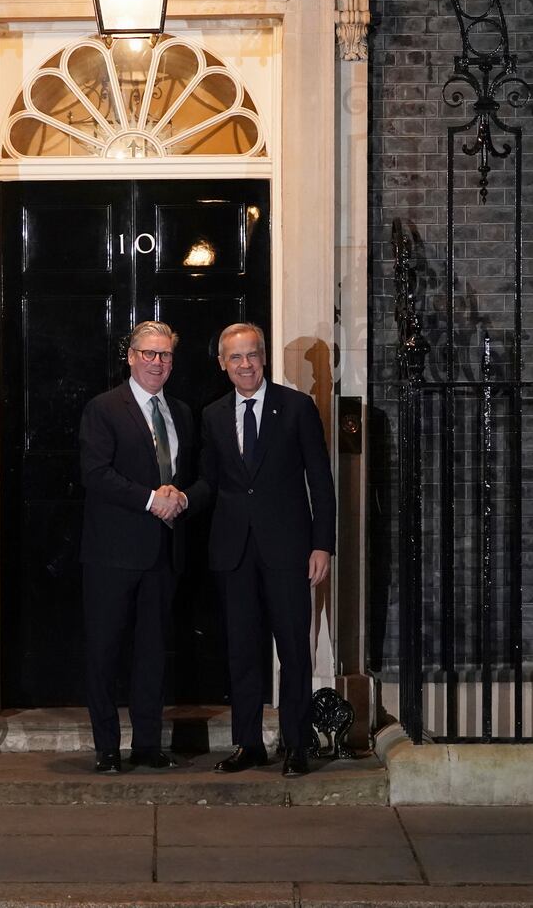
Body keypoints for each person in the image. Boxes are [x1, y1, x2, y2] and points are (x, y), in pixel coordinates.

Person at [188, 322, 336, 777]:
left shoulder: (297, 408)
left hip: (289, 551)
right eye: (235, 357)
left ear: (264, 357)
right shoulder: (213, 415)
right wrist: (179, 498)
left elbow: (321, 482)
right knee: (243, 651)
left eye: (252, 355)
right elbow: (210, 482)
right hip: (234, 553)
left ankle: (295, 745)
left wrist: (322, 545)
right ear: (222, 364)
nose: (245, 364)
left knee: (293, 650)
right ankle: (248, 743)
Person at [77, 320, 197, 773]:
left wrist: (180, 498)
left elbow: (192, 477)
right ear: (130, 356)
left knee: (152, 655)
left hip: (163, 555)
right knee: (104, 654)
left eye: (165, 355)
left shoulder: (181, 413)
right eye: (148, 353)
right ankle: (107, 749)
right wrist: (152, 500)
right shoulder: (104, 408)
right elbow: (95, 474)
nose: (157, 363)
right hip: (111, 555)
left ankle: (147, 745)